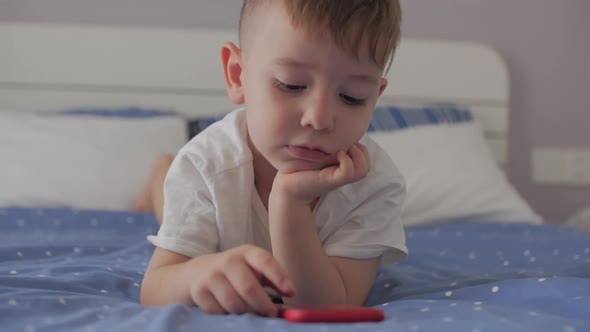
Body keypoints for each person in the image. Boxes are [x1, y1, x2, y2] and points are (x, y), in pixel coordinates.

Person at [139, 0, 407, 317]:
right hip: (204, 178)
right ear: (238, 76)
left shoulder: (373, 182)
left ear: (375, 96)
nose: (319, 118)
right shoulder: (205, 163)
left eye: (352, 97)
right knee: (170, 206)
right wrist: (196, 273)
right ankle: (161, 173)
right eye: (291, 85)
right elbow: (155, 289)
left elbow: (331, 306)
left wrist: (289, 201)